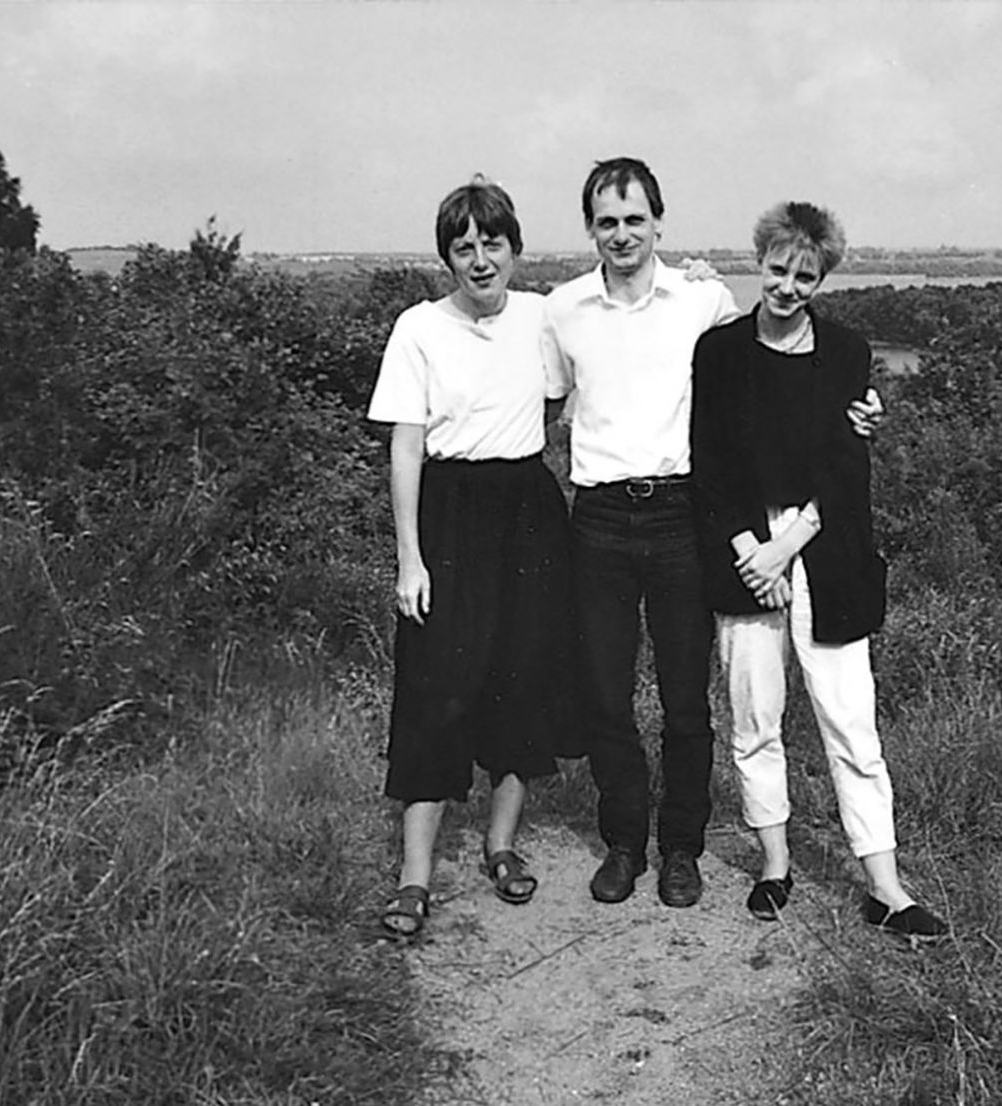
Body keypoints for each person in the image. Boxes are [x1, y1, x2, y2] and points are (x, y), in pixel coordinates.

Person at [542, 158, 883, 909]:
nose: (622, 234)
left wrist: (857, 415)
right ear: (590, 228)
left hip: (678, 515)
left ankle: (682, 848)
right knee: (606, 695)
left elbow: (781, 385)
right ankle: (623, 841)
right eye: (607, 221)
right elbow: (538, 402)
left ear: (659, 222)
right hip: (597, 517)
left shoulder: (703, 300)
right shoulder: (561, 310)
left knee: (686, 699)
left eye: (636, 219)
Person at [690, 200, 947, 942]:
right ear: (758, 264)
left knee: (851, 724)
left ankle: (886, 889)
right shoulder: (720, 352)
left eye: (805, 275)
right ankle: (774, 866)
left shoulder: (845, 352)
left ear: (821, 278)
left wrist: (786, 548)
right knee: (755, 718)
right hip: (744, 545)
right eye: (777, 269)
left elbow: (844, 466)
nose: (788, 286)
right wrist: (752, 553)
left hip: (824, 549)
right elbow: (710, 465)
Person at [368, 177, 577, 938]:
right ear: (448, 258)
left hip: (527, 512)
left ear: (515, 248)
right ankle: (414, 876)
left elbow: (581, 379)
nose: (481, 260)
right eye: (465, 248)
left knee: (520, 679)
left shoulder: (544, 317)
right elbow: (405, 445)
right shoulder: (418, 328)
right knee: (435, 685)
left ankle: (501, 846)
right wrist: (410, 559)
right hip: (448, 515)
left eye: (493, 244)